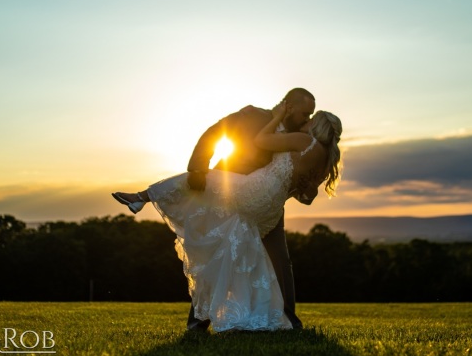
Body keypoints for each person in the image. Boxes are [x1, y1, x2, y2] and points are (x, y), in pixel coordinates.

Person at [112, 90, 342, 332]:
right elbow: (215, 132)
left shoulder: (303, 139)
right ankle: (200, 322)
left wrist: (297, 185)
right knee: (221, 253)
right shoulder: (253, 116)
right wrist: (199, 168)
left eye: (312, 115)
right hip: (235, 190)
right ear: (289, 106)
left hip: (262, 200)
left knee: (279, 262)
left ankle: (287, 319)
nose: (308, 118)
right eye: (306, 113)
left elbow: (295, 179)